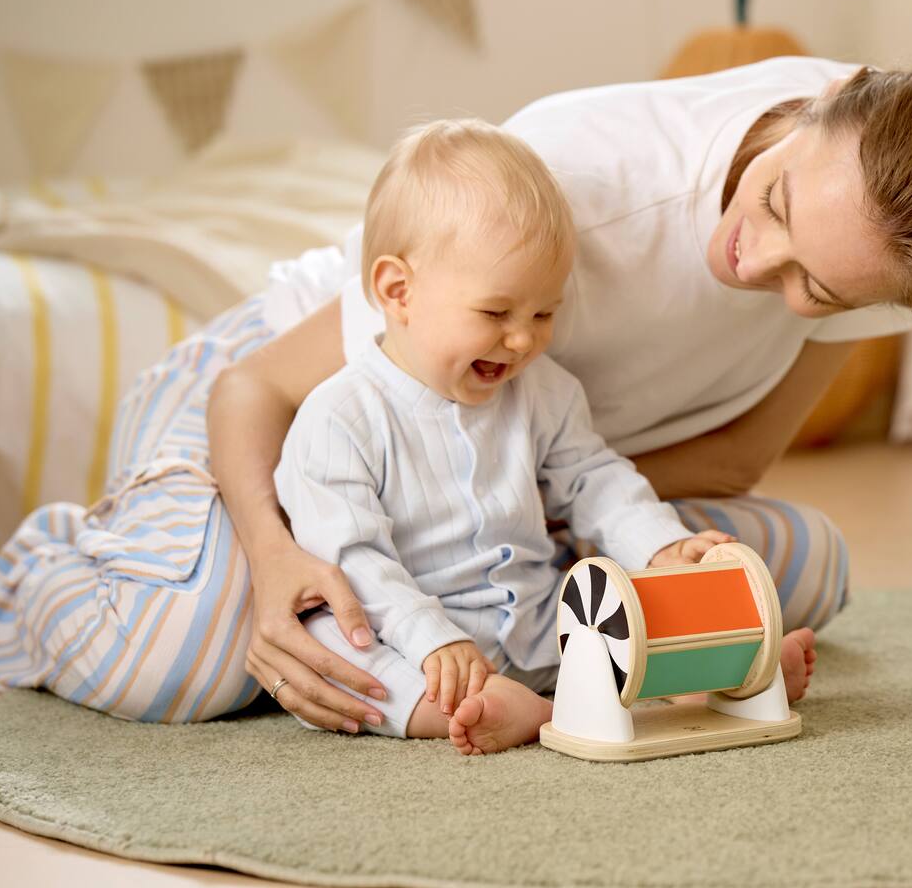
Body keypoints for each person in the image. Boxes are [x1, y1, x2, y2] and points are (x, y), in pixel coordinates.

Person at [0, 57, 912, 734]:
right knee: (179, 661)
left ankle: (487, 613)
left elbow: (727, 464)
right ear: (823, 102)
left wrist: (587, 528)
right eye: (773, 206)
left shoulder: (886, 250)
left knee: (792, 571)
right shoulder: (583, 175)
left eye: (816, 289)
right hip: (291, 415)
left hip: (519, 470)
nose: (755, 264)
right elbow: (257, 388)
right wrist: (275, 558)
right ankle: (38, 568)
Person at [272, 119, 815, 753]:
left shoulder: (545, 390)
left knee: (615, 601)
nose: (524, 339)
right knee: (330, 645)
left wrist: (662, 547)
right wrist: (430, 638)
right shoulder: (339, 417)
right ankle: (484, 710)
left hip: (539, 626)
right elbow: (352, 558)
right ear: (398, 292)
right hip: (418, 648)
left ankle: (719, 674)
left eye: (544, 313)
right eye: (496, 313)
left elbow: (596, 481)